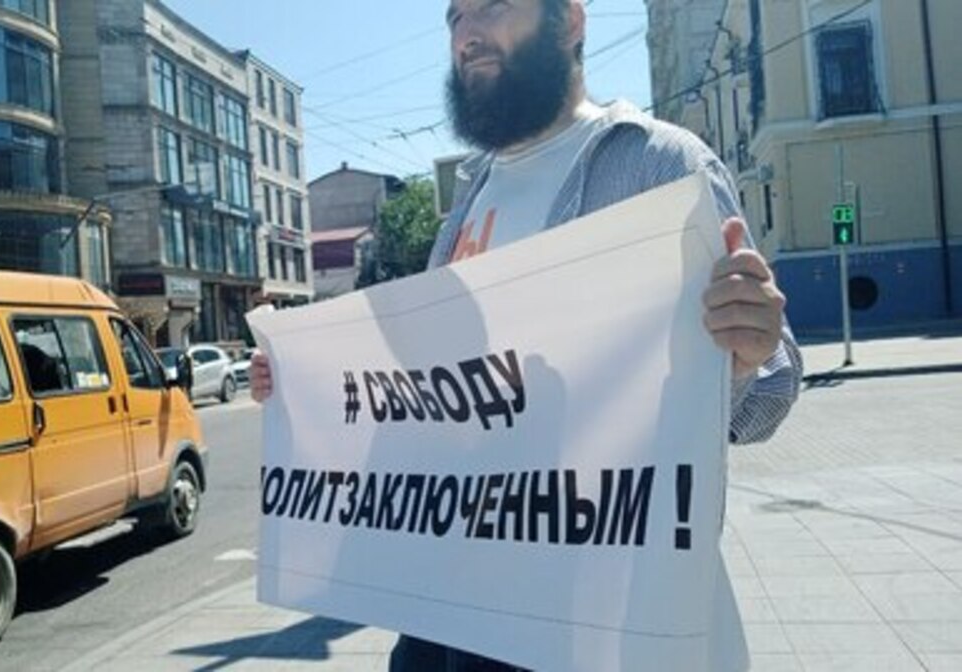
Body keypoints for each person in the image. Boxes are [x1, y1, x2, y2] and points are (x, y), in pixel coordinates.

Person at [252, 0, 802, 668]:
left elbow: (768, 390)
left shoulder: (657, 163)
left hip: (597, 618)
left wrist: (744, 352)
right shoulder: (467, 200)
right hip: (454, 606)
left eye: (492, 8)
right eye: (454, 18)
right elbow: (424, 391)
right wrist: (302, 382)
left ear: (569, 21)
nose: (467, 34)